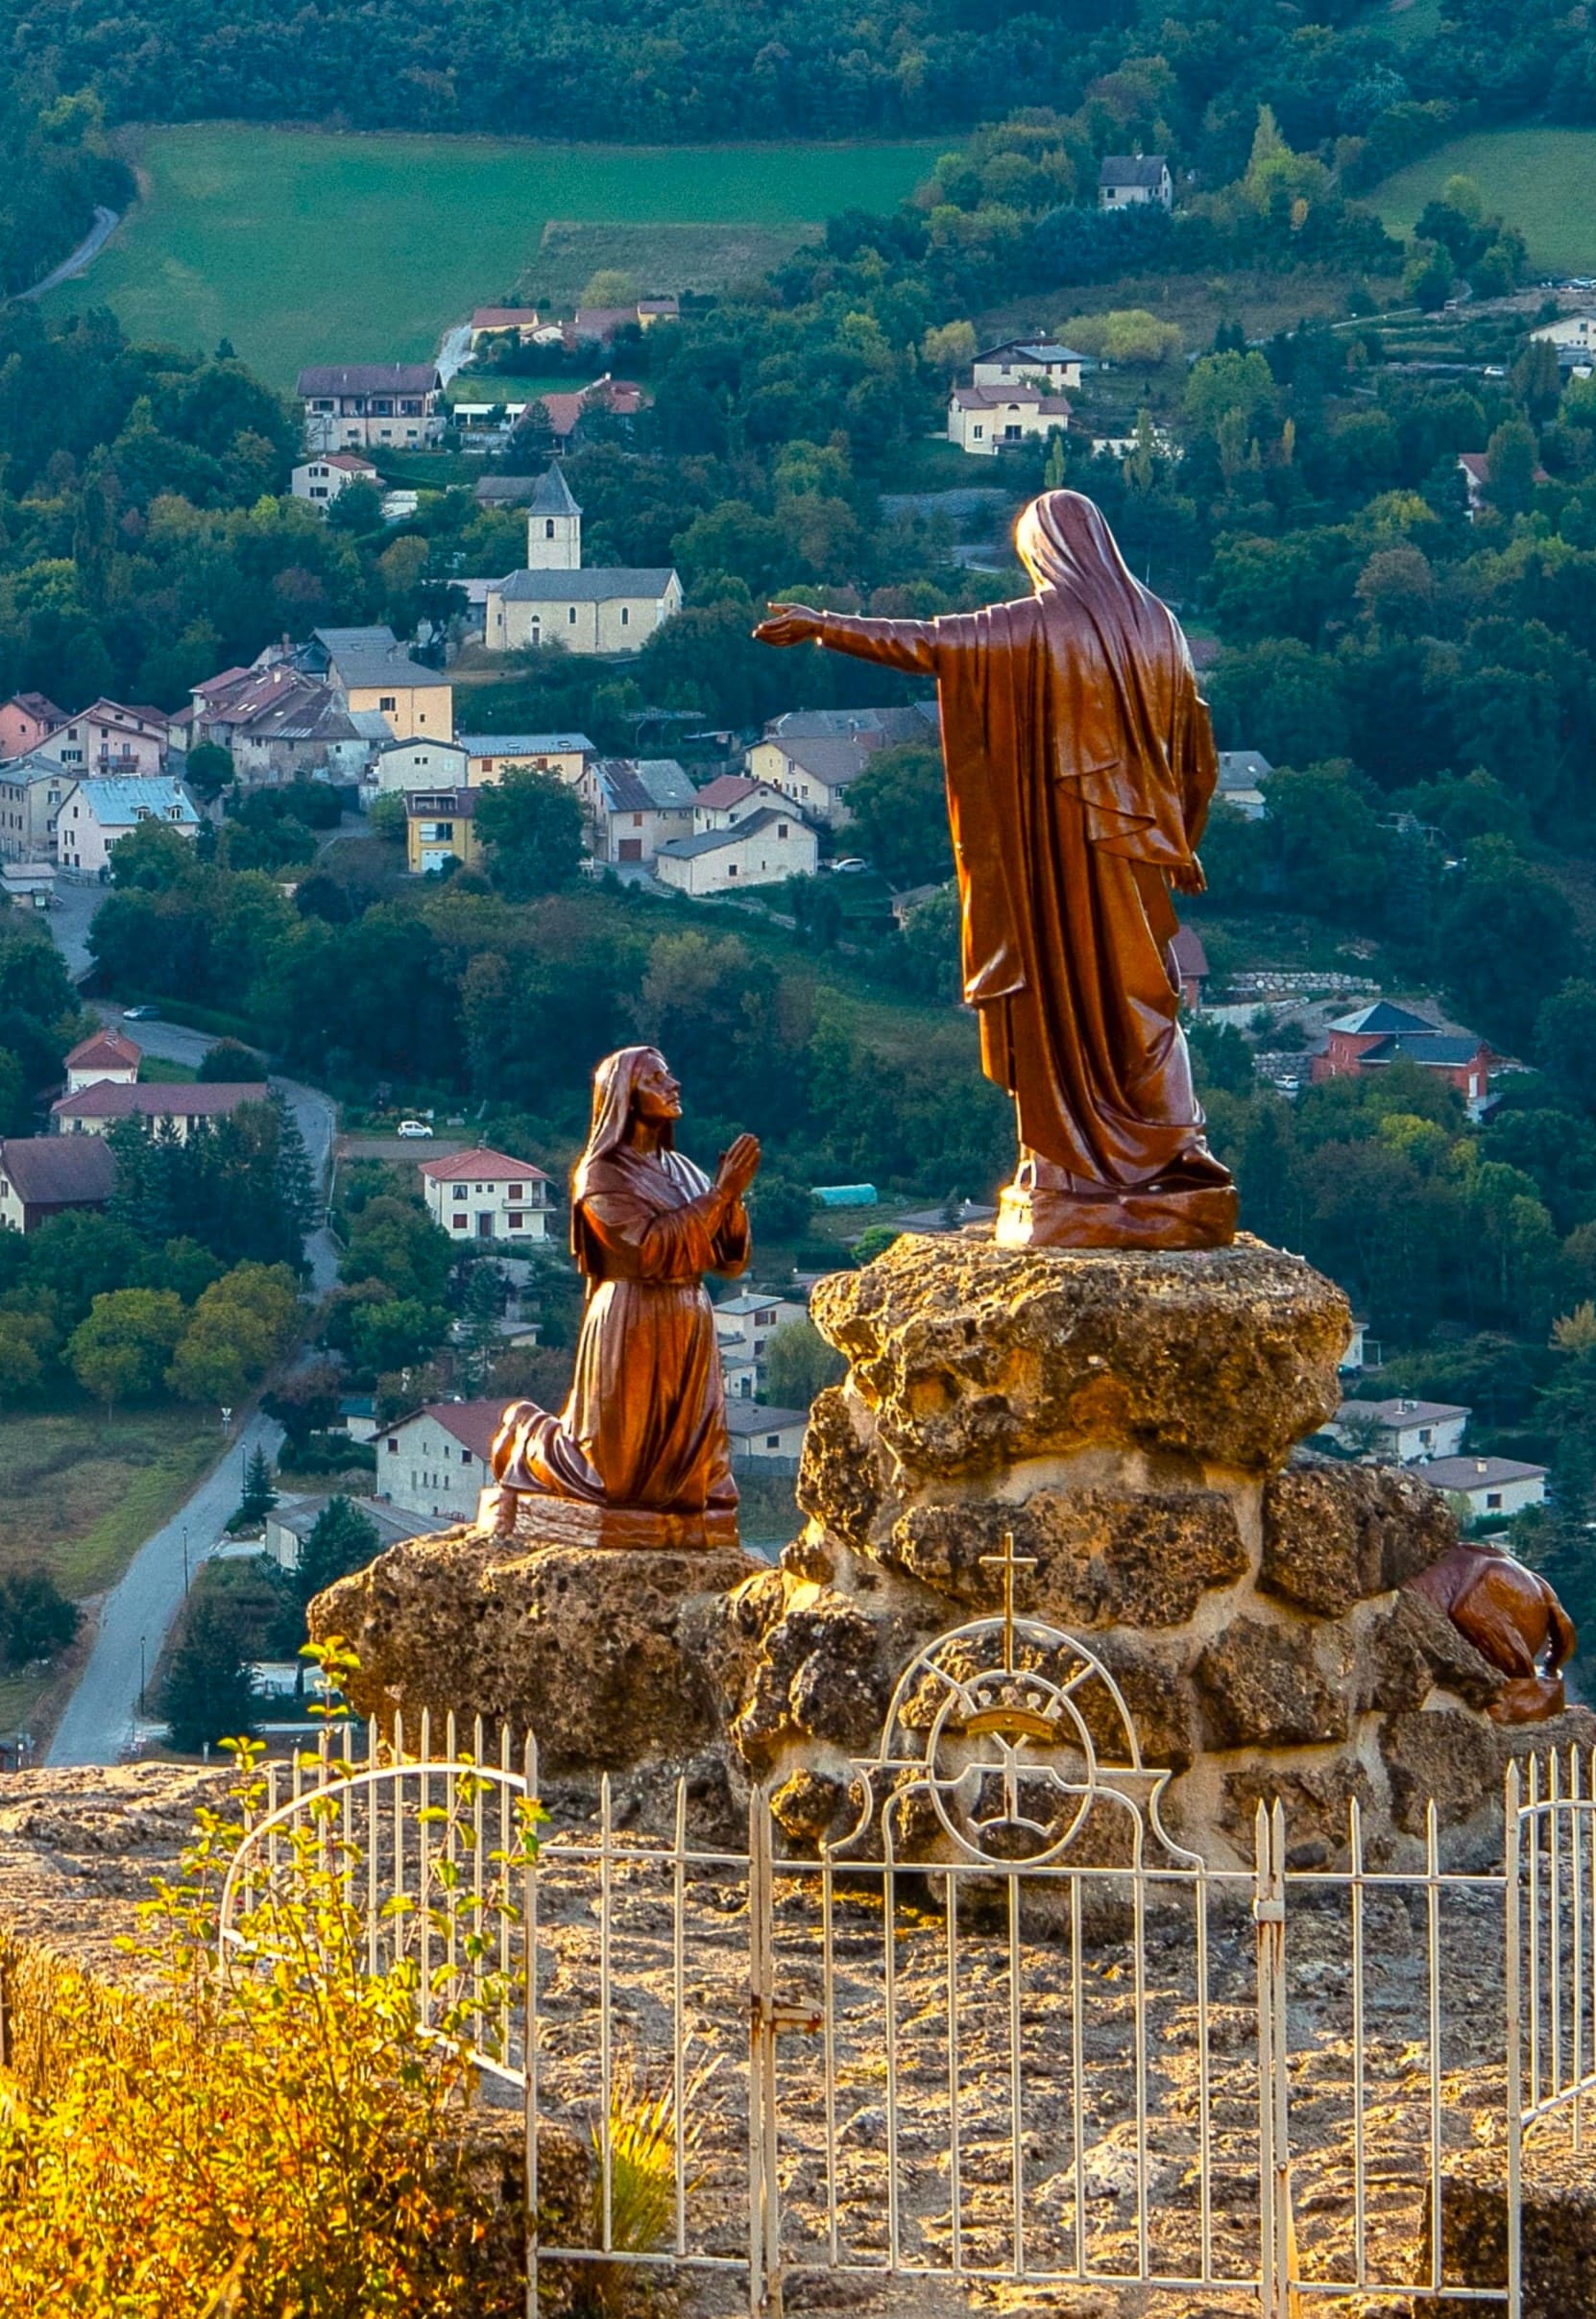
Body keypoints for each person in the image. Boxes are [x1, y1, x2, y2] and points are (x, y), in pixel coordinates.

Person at [755, 489, 1237, 1250]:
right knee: (1140, 1000)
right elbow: (1196, 740)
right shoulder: (1159, 625)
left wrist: (822, 625)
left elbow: (926, 644)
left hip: (1058, 861)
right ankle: (1164, 1147)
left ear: (1045, 554)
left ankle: (1080, 1169)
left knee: (1066, 1003)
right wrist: (1180, 837)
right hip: (1137, 851)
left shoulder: (1036, 622)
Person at [484, 1045, 757, 1546]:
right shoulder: (601, 1175)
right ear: (623, 1098)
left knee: (691, 1476)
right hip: (633, 1319)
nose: (673, 1085)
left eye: (669, 1075)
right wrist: (719, 1196)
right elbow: (648, 1250)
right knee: (612, 1478)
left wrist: (731, 1199)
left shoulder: (683, 1170)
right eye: (656, 1079)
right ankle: (525, 1435)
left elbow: (730, 1259)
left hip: (689, 1316)